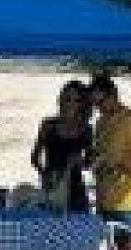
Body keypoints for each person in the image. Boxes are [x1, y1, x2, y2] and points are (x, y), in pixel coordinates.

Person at [89, 72, 131, 239]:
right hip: (104, 201)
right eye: (95, 104)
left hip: (129, 204)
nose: (99, 108)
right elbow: (100, 152)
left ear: (113, 95)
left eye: (101, 102)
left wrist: (115, 166)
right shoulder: (101, 123)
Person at [30, 80, 93, 211]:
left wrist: (79, 161)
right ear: (61, 99)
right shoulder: (48, 125)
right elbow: (35, 157)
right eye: (67, 98)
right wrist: (44, 174)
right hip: (51, 186)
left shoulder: (86, 129)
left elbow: (89, 163)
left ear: (82, 104)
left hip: (76, 188)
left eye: (76, 100)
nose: (71, 103)